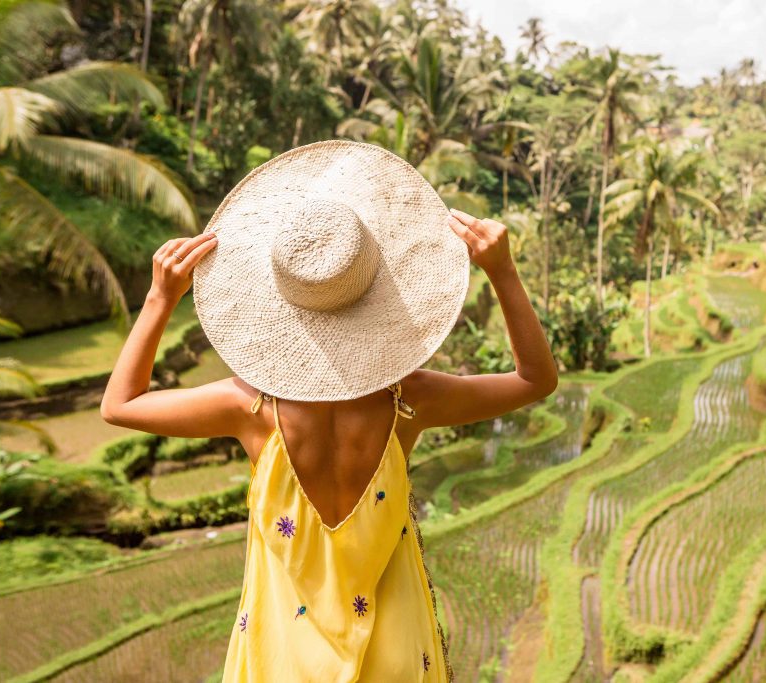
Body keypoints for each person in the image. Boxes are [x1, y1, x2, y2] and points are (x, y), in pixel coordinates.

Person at [100, 141, 558, 682]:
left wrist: (159, 298)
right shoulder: (410, 399)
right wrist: (502, 272)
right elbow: (536, 379)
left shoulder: (249, 406)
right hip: (395, 651)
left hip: (283, 656)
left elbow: (119, 404)